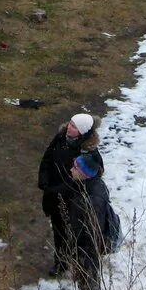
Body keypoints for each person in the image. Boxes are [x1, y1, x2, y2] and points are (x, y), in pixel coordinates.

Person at [38, 113, 103, 275]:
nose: (69, 127)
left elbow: (85, 179)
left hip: (72, 200)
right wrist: (43, 179)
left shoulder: (88, 152)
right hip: (53, 194)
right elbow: (48, 157)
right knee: (58, 230)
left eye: (74, 126)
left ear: (81, 132)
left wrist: (57, 189)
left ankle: (76, 263)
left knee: (73, 232)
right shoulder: (61, 136)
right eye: (70, 123)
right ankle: (61, 263)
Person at [58, 152, 110, 290]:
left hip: (86, 253)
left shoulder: (90, 198)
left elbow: (87, 232)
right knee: (92, 289)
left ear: (85, 173)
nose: (72, 169)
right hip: (87, 251)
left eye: (76, 167)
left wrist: (76, 256)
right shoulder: (91, 187)